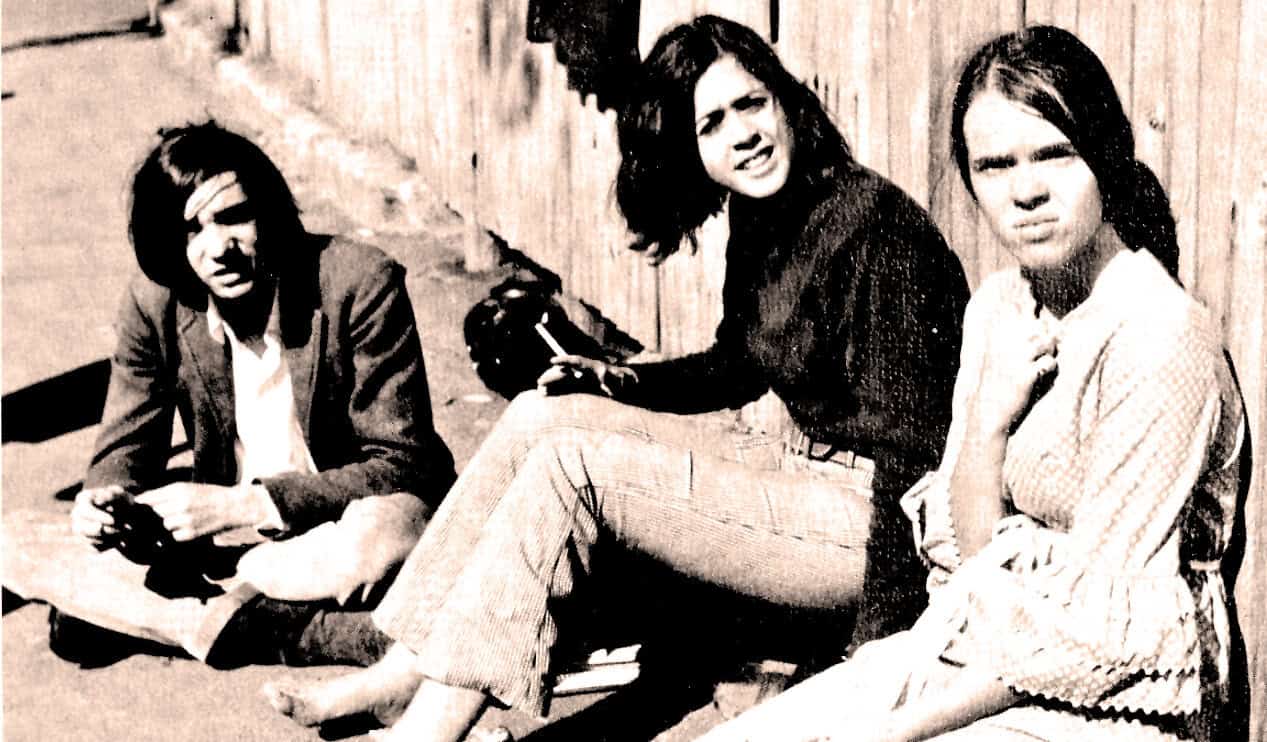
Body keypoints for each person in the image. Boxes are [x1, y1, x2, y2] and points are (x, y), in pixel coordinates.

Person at [263, 15, 969, 739]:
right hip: (804, 474)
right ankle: (402, 673)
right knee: (545, 415)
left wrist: (877, 652)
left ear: (786, 100)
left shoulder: (871, 226)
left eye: (751, 105)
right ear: (691, 150)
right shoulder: (766, 215)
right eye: (712, 125)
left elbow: (916, 451)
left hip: (878, 521)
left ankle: (429, 731)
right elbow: (734, 365)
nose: (742, 136)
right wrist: (613, 382)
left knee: (573, 470)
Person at [699, 25, 1247, 742]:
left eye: (1054, 154)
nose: (1025, 192)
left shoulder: (1158, 333)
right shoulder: (996, 309)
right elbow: (964, 561)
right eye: (994, 166)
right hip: (989, 647)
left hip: (1120, 698)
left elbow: (1095, 635)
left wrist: (898, 727)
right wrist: (988, 421)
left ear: (1105, 158)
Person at [1, 122, 457, 668]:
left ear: (270, 212)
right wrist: (105, 500)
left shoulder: (358, 281)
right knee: (13, 539)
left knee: (386, 533)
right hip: (226, 539)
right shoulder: (156, 302)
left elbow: (405, 466)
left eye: (234, 217)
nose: (218, 248)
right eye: (190, 229)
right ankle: (310, 630)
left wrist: (247, 502)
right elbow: (125, 447)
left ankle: (186, 615)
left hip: (337, 525)